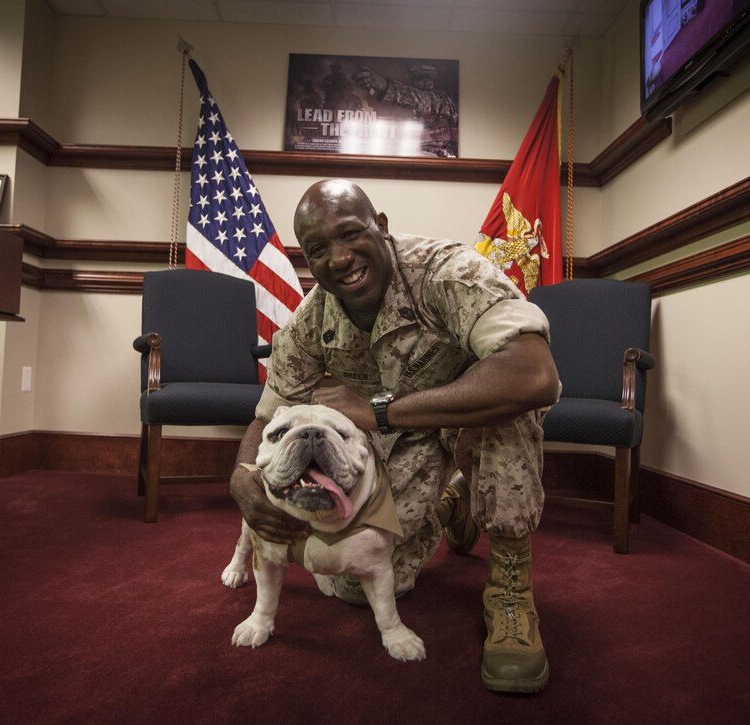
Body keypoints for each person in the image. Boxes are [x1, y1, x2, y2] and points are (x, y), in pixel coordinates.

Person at [229, 179, 561, 693]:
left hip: (475, 423)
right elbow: (266, 415)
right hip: (408, 439)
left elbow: (535, 376)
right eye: (319, 250)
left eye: (350, 234)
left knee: (511, 414)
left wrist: (380, 411)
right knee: (354, 585)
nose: (339, 259)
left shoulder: (448, 272)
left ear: (380, 227)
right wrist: (243, 474)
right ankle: (454, 506)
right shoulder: (313, 318)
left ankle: (510, 589)